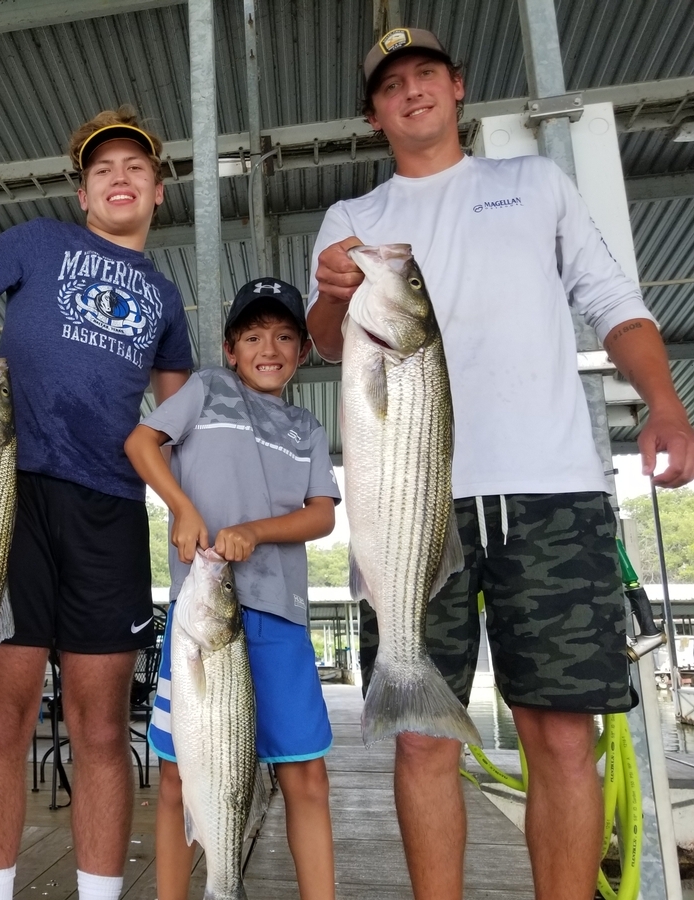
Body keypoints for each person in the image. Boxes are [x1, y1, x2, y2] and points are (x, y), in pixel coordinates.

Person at [307, 27, 694, 900]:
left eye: (426, 76)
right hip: (412, 507)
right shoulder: (351, 221)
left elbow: (612, 299)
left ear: (458, 85)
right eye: (392, 85)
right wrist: (331, 297)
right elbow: (326, 345)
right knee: (422, 737)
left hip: (551, 494)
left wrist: (665, 402)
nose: (412, 92)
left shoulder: (532, 184)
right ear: (373, 114)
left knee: (561, 735)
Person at [0, 106, 193, 900]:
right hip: (7, 494)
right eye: (102, 169)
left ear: (158, 192)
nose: (119, 178)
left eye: (134, 169)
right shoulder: (40, 242)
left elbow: (176, 425)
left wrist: (188, 507)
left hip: (110, 509)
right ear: (82, 194)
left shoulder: (167, 299)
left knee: (101, 727)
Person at [125, 278, 338, 900]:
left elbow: (322, 513)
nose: (267, 348)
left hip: (280, 619)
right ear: (230, 347)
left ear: (301, 351)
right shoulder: (205, 390)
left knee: (306, 776)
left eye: (283, 337)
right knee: (176, 780)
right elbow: (142, 443)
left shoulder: (306, 426)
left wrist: (255, 530)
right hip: (202, 619)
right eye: (252, 336)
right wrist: (183, 509)